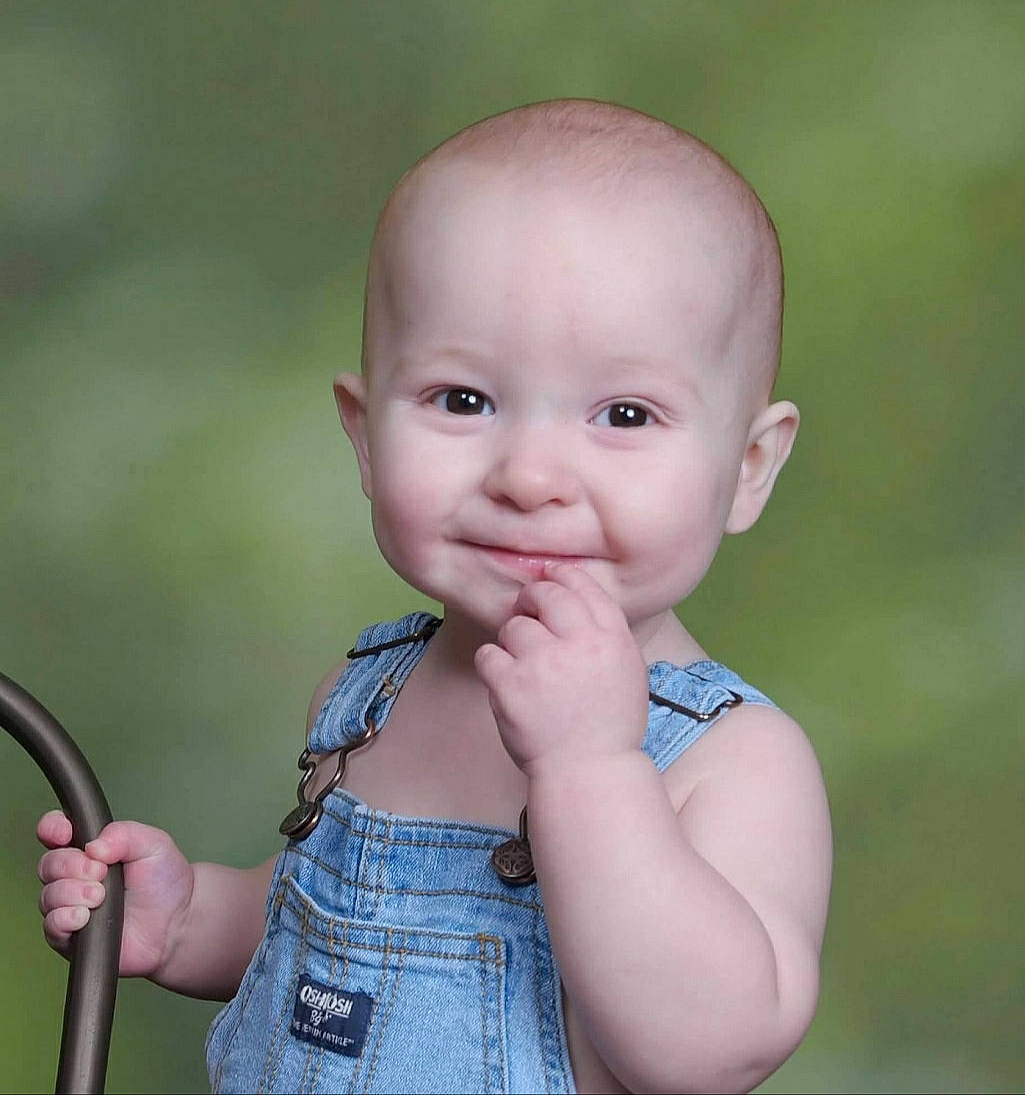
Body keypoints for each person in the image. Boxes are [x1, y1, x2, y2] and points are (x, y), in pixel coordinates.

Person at [34, 99, 832, 1094]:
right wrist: (193, 917)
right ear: (365, 435)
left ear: (749, 466)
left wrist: (591, 765)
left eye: (623, 413)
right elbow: (340, 954)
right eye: (464, 399)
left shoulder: (735, 759)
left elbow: (707, 1050)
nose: (531, 474)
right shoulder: (371, 692)